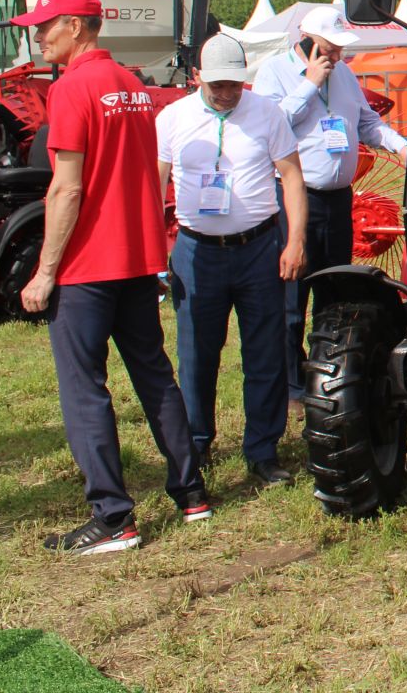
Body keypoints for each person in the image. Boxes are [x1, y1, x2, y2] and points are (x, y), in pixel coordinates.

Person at [12, 0, 207, 554]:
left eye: (45, 27)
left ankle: (113, 516)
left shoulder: (71, 90)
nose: (39, 37)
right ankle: (191, 493)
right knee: (154, 375)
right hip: (136, 257)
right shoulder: (132, 85)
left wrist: (45, 271)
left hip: (86, 266)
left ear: (76, 26)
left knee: (83, 390)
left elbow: (66, 189)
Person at [158, 34, 309, 486]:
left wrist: (294, 241)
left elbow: (292, 177)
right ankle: (197, 443)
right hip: (196, 249)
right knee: (196, 353)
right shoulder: (172, 118)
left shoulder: (267, 113)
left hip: (259, 247)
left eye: (234, 85)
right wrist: (152, 250)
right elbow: (153, 182)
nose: (226, 94)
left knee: (265, 351)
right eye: (217, 85)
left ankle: (263, 450)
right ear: (197, 77)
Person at [253, 6, 407, 403]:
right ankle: (289, 384)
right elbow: (271, 126)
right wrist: (309, 84)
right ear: (306, 40)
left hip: (338, 199)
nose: (337, 55)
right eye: (330, 47)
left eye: (341, 48)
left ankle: (324, 370)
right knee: (292, 294)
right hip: (295, 197)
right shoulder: (275, 72)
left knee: (333, 289)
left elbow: (364, 123)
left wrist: (401, 145)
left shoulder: (344, 75)